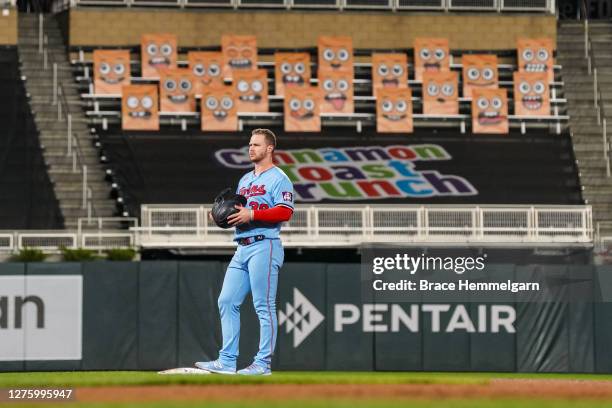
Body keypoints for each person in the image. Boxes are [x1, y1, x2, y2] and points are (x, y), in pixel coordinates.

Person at [196, 128, 294, 376]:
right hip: (242, 246)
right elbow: (238, 212)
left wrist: (254, 214)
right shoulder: (245, 180)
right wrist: (221, 215)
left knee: (264, 306)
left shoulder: (279, 178)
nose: (251, 148)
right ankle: (227, 361)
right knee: (226, 301)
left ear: (269, 148)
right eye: (250, 144)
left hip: (265, 245)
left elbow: (285, 211)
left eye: (257, 145)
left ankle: (263, 364)